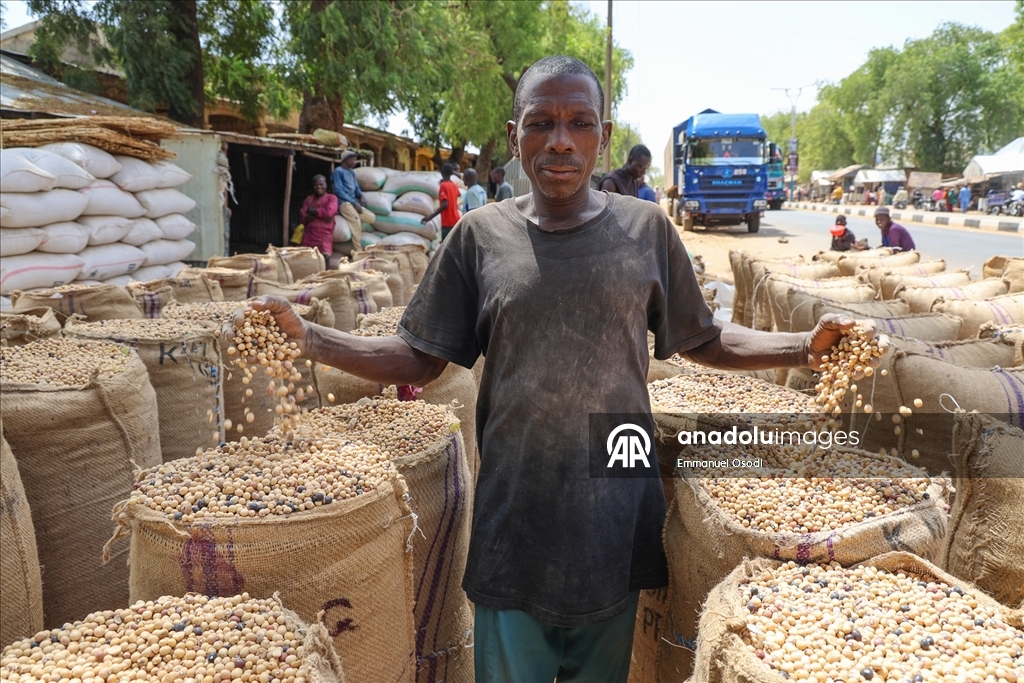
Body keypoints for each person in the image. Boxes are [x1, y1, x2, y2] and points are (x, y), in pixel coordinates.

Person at [245, 56, 884, 681]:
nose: (560, 141)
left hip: (614, 514)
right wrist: (312, 338)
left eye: (579, 123)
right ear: (514, 135)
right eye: (541, 123)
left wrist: (803, 347)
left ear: (603, 136)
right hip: (515, 519)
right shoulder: (478, 237)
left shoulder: (646, 230)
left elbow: (705, 339)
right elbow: (421, 356)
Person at [331, 150, 376, 242]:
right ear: (346, 160)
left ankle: (351, 217)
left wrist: (361, 196)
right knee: (356, 222)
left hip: (353, 202)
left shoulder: (351, 172)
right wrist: (353, 202)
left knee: (371, 217)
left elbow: (356, 186)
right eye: (353, 160)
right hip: (344, 203)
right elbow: (338, 191)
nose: (355, 162)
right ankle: (357, 249)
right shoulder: (338, 171)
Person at [297, 174, 338, 259]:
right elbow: (303, 218)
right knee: (306, 259)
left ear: (326, 185)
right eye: (316, 185)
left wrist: (312, 211)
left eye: (321, 184)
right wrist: (321, 215)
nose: (318, 187)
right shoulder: (309, 199)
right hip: (309, 235)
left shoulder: (332, 198)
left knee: (325, 258)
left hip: (324, 235)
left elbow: (329, 212)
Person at [420, 162, 461, 240]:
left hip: (448, 221)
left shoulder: (443, 185)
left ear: (442, 172)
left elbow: (445, 204)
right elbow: (458, 194)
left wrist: (430, 217)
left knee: (447, 244)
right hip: (456, 219)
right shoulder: (454, 184)